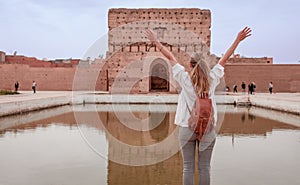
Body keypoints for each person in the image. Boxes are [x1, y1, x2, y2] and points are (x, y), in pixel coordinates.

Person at [145, 26, 251, 185]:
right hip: (207, 127)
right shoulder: (213, 79)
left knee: (187, 168)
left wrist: (156, 42)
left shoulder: (184, 79)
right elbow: (224, 59)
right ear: (205, 66)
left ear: (190, 64)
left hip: (186, 127)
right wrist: (237, 40)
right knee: (205, 168)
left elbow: (171, 57)